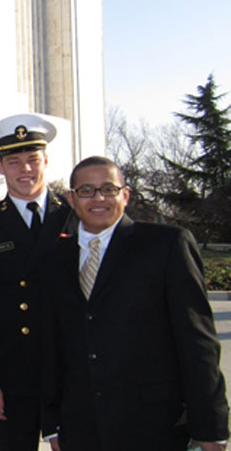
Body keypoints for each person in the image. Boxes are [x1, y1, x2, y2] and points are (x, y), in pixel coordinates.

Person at [40, 156, 229, 451]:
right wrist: (52, 423)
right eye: (87, 190)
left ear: (125, 195)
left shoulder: (167, 245)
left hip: (154, 427)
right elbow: (51, 348)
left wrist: (211, 429)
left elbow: (198, 342)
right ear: (71, 199)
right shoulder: (55, 258)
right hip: (81, 428)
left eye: (108, 189)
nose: (98, 198)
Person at [0, 113, 74, 450]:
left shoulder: (73, 215)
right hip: (12, 371)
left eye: (32, 160)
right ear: (0, 168)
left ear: (46, 161)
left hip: (69, 368)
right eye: (14, 162)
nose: (25, 170)